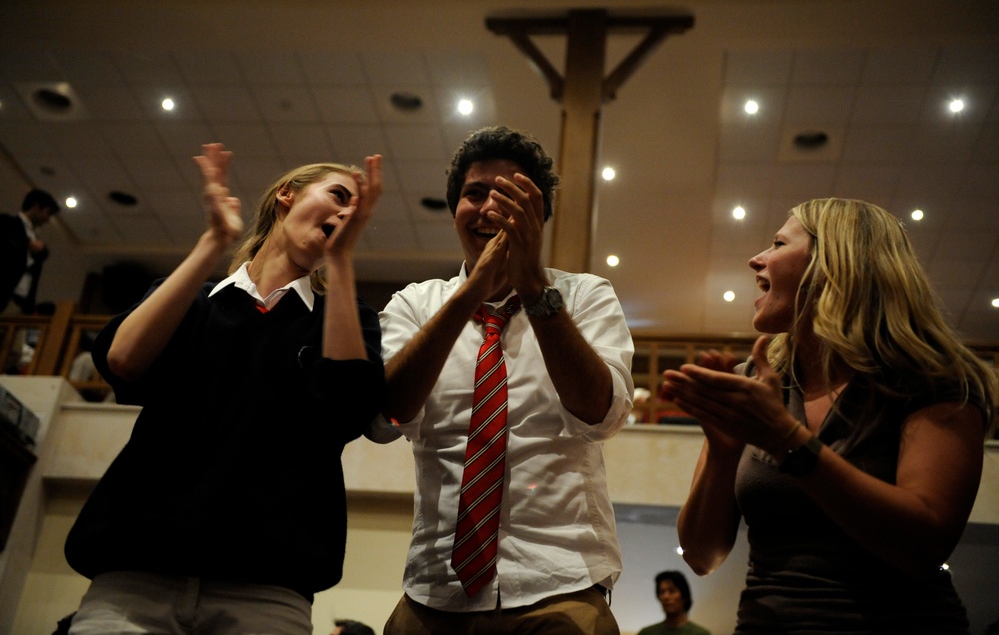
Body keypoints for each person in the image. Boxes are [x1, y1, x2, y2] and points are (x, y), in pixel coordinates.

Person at [63, 143, 385, 634]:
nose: (346, 212)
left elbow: (345, 409)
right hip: (135, 577)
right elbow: (122, 361)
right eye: (338, 195)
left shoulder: (346, 318)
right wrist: (213, 240)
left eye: (356, 210)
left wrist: (340, 262)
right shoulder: (194, 303)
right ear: (287, 195)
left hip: (269, 589)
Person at [662, 198, 997, 634]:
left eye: (779, 243)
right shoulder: (758, 381)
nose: (756, 258)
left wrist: (785, 438)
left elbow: (924, 545)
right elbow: (701, 557)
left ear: (833, 265)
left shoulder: (932, 378)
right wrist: (725, 453)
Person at [370, 125, 634, 634]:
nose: (490, 208)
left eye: (511, 195)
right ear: (454, 213)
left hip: (558, 586)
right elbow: (384, 416)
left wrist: (535, 289)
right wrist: (469, 295)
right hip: (434, 592)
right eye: (474, 194)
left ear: (538, 217)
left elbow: (601, 415)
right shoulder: (414, 304)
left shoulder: (585, 296)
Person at [0, 187, 60, 314]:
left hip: (19, 301)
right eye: (48, 212)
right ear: (37, 207)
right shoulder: (6, 222)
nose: (48, 219)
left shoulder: (34, 236)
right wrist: (27, 243)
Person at [636, 570, 710, 635]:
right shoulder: (647, 633)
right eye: (662, 592)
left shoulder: (700, 633)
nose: (666, 597)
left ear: (684, 596)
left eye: (672, 591)